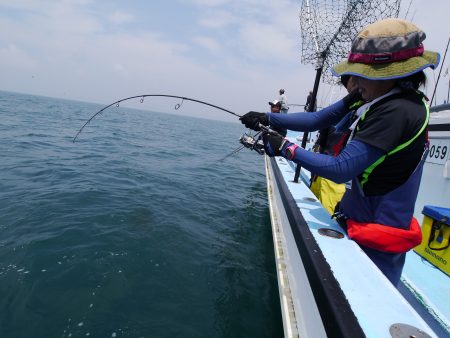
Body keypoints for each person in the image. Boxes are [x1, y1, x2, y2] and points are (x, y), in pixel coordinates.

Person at [240, 18, 440, 286]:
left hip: (378, 239)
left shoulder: (399, 111)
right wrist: (267, 118)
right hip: (355, 219)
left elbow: (340, 169)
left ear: (391, 74)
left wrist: (285, 147)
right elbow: (317, 119)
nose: (353, 82)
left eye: (361, 74)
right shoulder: (371, 94)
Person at [310, 75, 363, 214]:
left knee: (329, 212)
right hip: (323, 171)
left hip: (336, 176)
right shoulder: (349, 111)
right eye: (353, 82)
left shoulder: (366, 112)